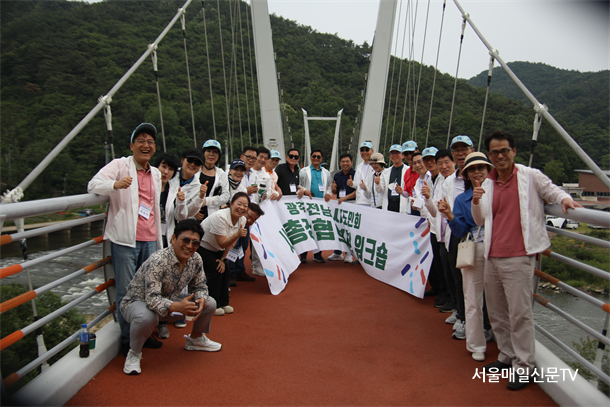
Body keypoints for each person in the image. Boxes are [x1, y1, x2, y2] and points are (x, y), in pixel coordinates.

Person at [472, 130, 581, 390]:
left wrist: (565, 199)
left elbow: (551, 190)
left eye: (504, 150)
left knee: (519, 314)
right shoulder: (487, 183)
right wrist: (476, 202)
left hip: (519, 256)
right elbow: (480, 220)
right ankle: (506, 354)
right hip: (492, 254)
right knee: (497, 311)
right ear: (489, 155)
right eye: (495, 152)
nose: (500, 156)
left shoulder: (530, 176)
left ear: (513, 151)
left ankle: (524, 366)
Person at [87, 123, 164, 354]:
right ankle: (127, 340)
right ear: (132, 146)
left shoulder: (156, 173)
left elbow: (153, 207)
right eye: (141, 140)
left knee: (148, 289)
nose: (146, 145)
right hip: (125, 240)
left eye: (150, 141)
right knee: (127, 291)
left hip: (150, 239)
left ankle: (144, 334)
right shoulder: (119, 165)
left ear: (154, 147)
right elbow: (93, 185)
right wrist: (115, 184)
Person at [121, 219, 221, 375]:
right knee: (147, 316)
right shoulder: (158, 260)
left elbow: (200, 286)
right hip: (138, 303)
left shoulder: (196, 259)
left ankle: (196, 339)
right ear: (173, 238)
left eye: (195, 243)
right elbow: (152, 299)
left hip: (168, 303)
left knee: (210, 303)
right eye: (185, 240)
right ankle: (134, 353)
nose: (189, 246)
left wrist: (201, 298)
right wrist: (176, 307)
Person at [437, 152, 494, 362]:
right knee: (472, 297)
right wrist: (450, 215)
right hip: (475, 248)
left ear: (489, 170)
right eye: (472, 169)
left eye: (481, 168)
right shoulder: (462, 199)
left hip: (498, 249)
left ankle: (496, 335)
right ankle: (476, 343)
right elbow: (461, 230)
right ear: (466, 174)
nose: (477, 172)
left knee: (498, 298)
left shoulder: (499, 193)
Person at [200, 192, 249, 316]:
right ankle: (213, 305)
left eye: (245, 205)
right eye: (239, 204)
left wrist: (223, 259)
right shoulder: (220, 217)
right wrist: (237, 234)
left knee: (226, 270)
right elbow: (222, 243)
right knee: (216, 270)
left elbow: (231, 243)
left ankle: (224, 303)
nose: (242, 208)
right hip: (203, 246)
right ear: (231, 204)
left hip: (219, 249)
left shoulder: (242, 219)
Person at [423, 149, 458, 315]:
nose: (443, 166)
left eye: (446, 162)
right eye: (440, 163)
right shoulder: (439, 182)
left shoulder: (458, 181)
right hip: (439, 232)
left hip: (455, 232)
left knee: (453, 271)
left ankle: (454, 303)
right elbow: (435, 212)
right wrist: (428, 198)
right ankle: (446, 296)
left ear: (454, 162)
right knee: (443, 268)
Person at [419, 147, 448, 303]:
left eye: (432, 160)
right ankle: (438, 288)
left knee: (444, 264)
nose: (429, 163)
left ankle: (446, 294)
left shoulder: (445, 179)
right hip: (433, 226)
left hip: (445, 228)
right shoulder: (430, 179)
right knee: (436, 260)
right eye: (427, 160)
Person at [297, 149, 332, 263]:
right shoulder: (303, 171)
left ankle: (317, 254)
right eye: (314, 156)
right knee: (305, 229)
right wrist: (305, 190)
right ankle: (303, 255)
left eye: (318, 157)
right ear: (311, 157)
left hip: (320, 206)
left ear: (321, 159)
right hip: (306, 203)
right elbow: (299, 185)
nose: (316, 158)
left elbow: (329, 186)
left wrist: (328, 193)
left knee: (318, 229)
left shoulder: (326, 172)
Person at [327, 153, 356, 263]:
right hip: (340, 203)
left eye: (347, 161)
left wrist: (345, 198)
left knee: (349, 230)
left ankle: (349, 254)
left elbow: (358, 191)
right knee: (338, 228)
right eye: (343, 161)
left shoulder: (355, 174)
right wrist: (334, 189)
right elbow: (335, 192)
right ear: (340, 163)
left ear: (351, 162)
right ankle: (338, 252)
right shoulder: (337, 175)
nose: (345, 163)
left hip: (352, 203)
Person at [195, 140, 229, 221]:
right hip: (194, 216)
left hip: (213, 216)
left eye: (215, 152)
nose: (211, 154)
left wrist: (206, 201)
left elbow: (225, 196)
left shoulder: (222, 174)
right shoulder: (195, 170)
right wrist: (193, 210)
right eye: (208, 151)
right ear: (203, 153)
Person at [153, 153, 180, 248]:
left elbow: (180, 216)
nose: (165, 172)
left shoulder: (175, 192)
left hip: (165, 235)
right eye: (163, 167)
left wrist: (181, 202)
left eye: (170, 169)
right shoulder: (147, 187)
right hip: (147, 234)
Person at [380, 145, 409, 213]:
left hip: (402, 202)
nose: (394, 155)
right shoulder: (386, 172)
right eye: (392, 153)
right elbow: (380, 190)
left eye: (397, 153)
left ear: (402, 155)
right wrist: (378, 184)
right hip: (389, 203)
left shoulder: (408, 170)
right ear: (389, 156)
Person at [348, 141, 374, 207]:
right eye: (362, 150)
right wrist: (351, 183)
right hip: (359, 201)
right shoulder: (359, 166)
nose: (364, 152)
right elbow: (357, 184)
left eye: (367, 150)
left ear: (372, 151)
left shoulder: (375, 166)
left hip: (370, 202)